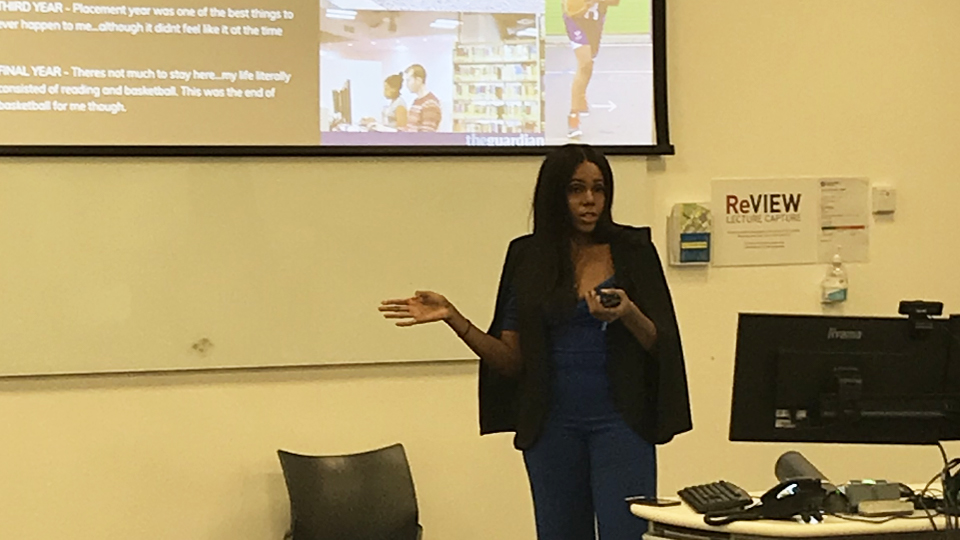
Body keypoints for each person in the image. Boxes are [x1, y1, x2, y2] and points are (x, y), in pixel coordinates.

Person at [379, 143, 692, 540]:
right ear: (554, 194)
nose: (590, 200)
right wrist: (454, 319)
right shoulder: (528, 256)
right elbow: (511, 361)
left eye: (599, 189)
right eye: (576, 189)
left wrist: (627, 312)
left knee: (626, 535)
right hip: (552, 428)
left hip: (622, 424)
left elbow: (660, 342)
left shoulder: (633, 250)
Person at [563, 0, 619, 138]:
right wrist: (587, 4)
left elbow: (615, 2)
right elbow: (571, 11)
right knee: (584, 63)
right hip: (576, 21)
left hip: (595, 22)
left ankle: (581, 96)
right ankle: (573, 117)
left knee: (589, 64)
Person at [403, 64, 442, 132]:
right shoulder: (416, 101)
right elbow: (410, 128)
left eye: (408, 80)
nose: (406, 84)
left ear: (418, 80)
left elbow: (426, 136)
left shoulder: (430, 104)